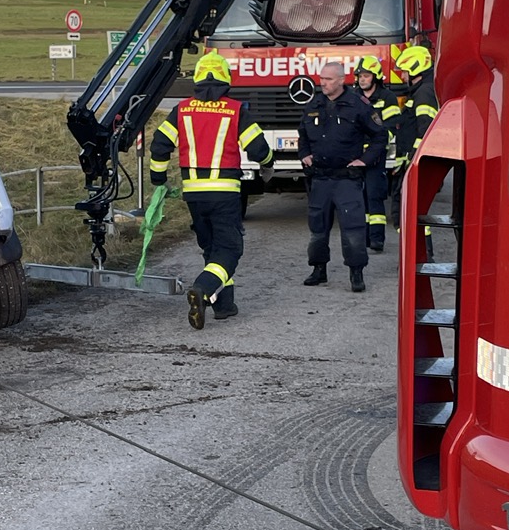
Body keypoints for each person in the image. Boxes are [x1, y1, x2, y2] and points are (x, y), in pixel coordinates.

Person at [148, 52, 272, 329]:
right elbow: (259, 149)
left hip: (193, 194)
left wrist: (158, 179)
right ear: (226, 80)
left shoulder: (183, 109)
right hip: (225, 193)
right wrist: (268, 164)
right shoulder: (235, 110)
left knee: (213, 250)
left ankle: (224, 306)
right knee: (230, 249)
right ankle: (202, 289)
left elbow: (159, 145)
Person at [298, 60, 386, 292]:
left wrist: (364, 161)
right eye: (321, 79)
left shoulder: (359, 105)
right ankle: (319, 269)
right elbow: (303, 134)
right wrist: (304, 154)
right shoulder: (314, 104)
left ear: (340, 80)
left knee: (353, 229)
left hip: (347, 179)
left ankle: (356, 273)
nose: (322, 83)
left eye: (327, 79)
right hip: (320, 178)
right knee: (317, 228)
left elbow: (380, 137)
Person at [354, 55, 400, 252]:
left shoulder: (386, 97)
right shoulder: (354, 96)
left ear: (376, 77)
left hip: (376, 155)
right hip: (356, 155)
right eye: (360, 76)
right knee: (358, 197)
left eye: (366, 75)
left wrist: (376, 146)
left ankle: (377, 240)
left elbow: (392, 126)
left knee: (375, 196)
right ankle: (363, 239)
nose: (362, 79)